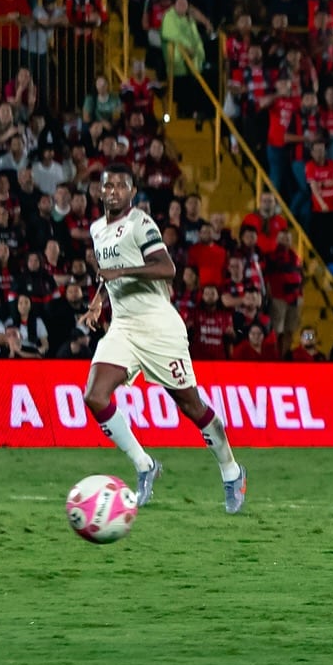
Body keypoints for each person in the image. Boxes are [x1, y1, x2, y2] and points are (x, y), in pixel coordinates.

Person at [84, 163, 246, 513]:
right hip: (123, 326)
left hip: (158, 325)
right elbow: (107, 274)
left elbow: (166, 268)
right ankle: (144, 465)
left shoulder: (141, 223)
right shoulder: (97, 228)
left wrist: (122, 272)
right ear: (100, 192)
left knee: (191, 405)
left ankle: (231, 470)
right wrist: (99, 300)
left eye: (120, 186)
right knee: (95, 396)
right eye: (107, 186)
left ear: (132, 192)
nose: (113, 191)